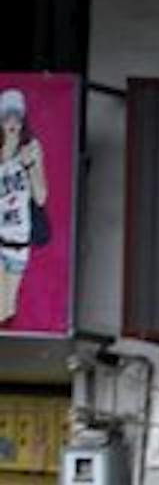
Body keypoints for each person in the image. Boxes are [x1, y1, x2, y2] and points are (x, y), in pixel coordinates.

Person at [0, 87, 50, 327]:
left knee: (8, 308)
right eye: (7, 116)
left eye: (17, 116)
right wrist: (6, 157)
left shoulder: (31, 148)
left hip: (19, 241)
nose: (12, 122)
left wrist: (29, 165)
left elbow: (41, 198)